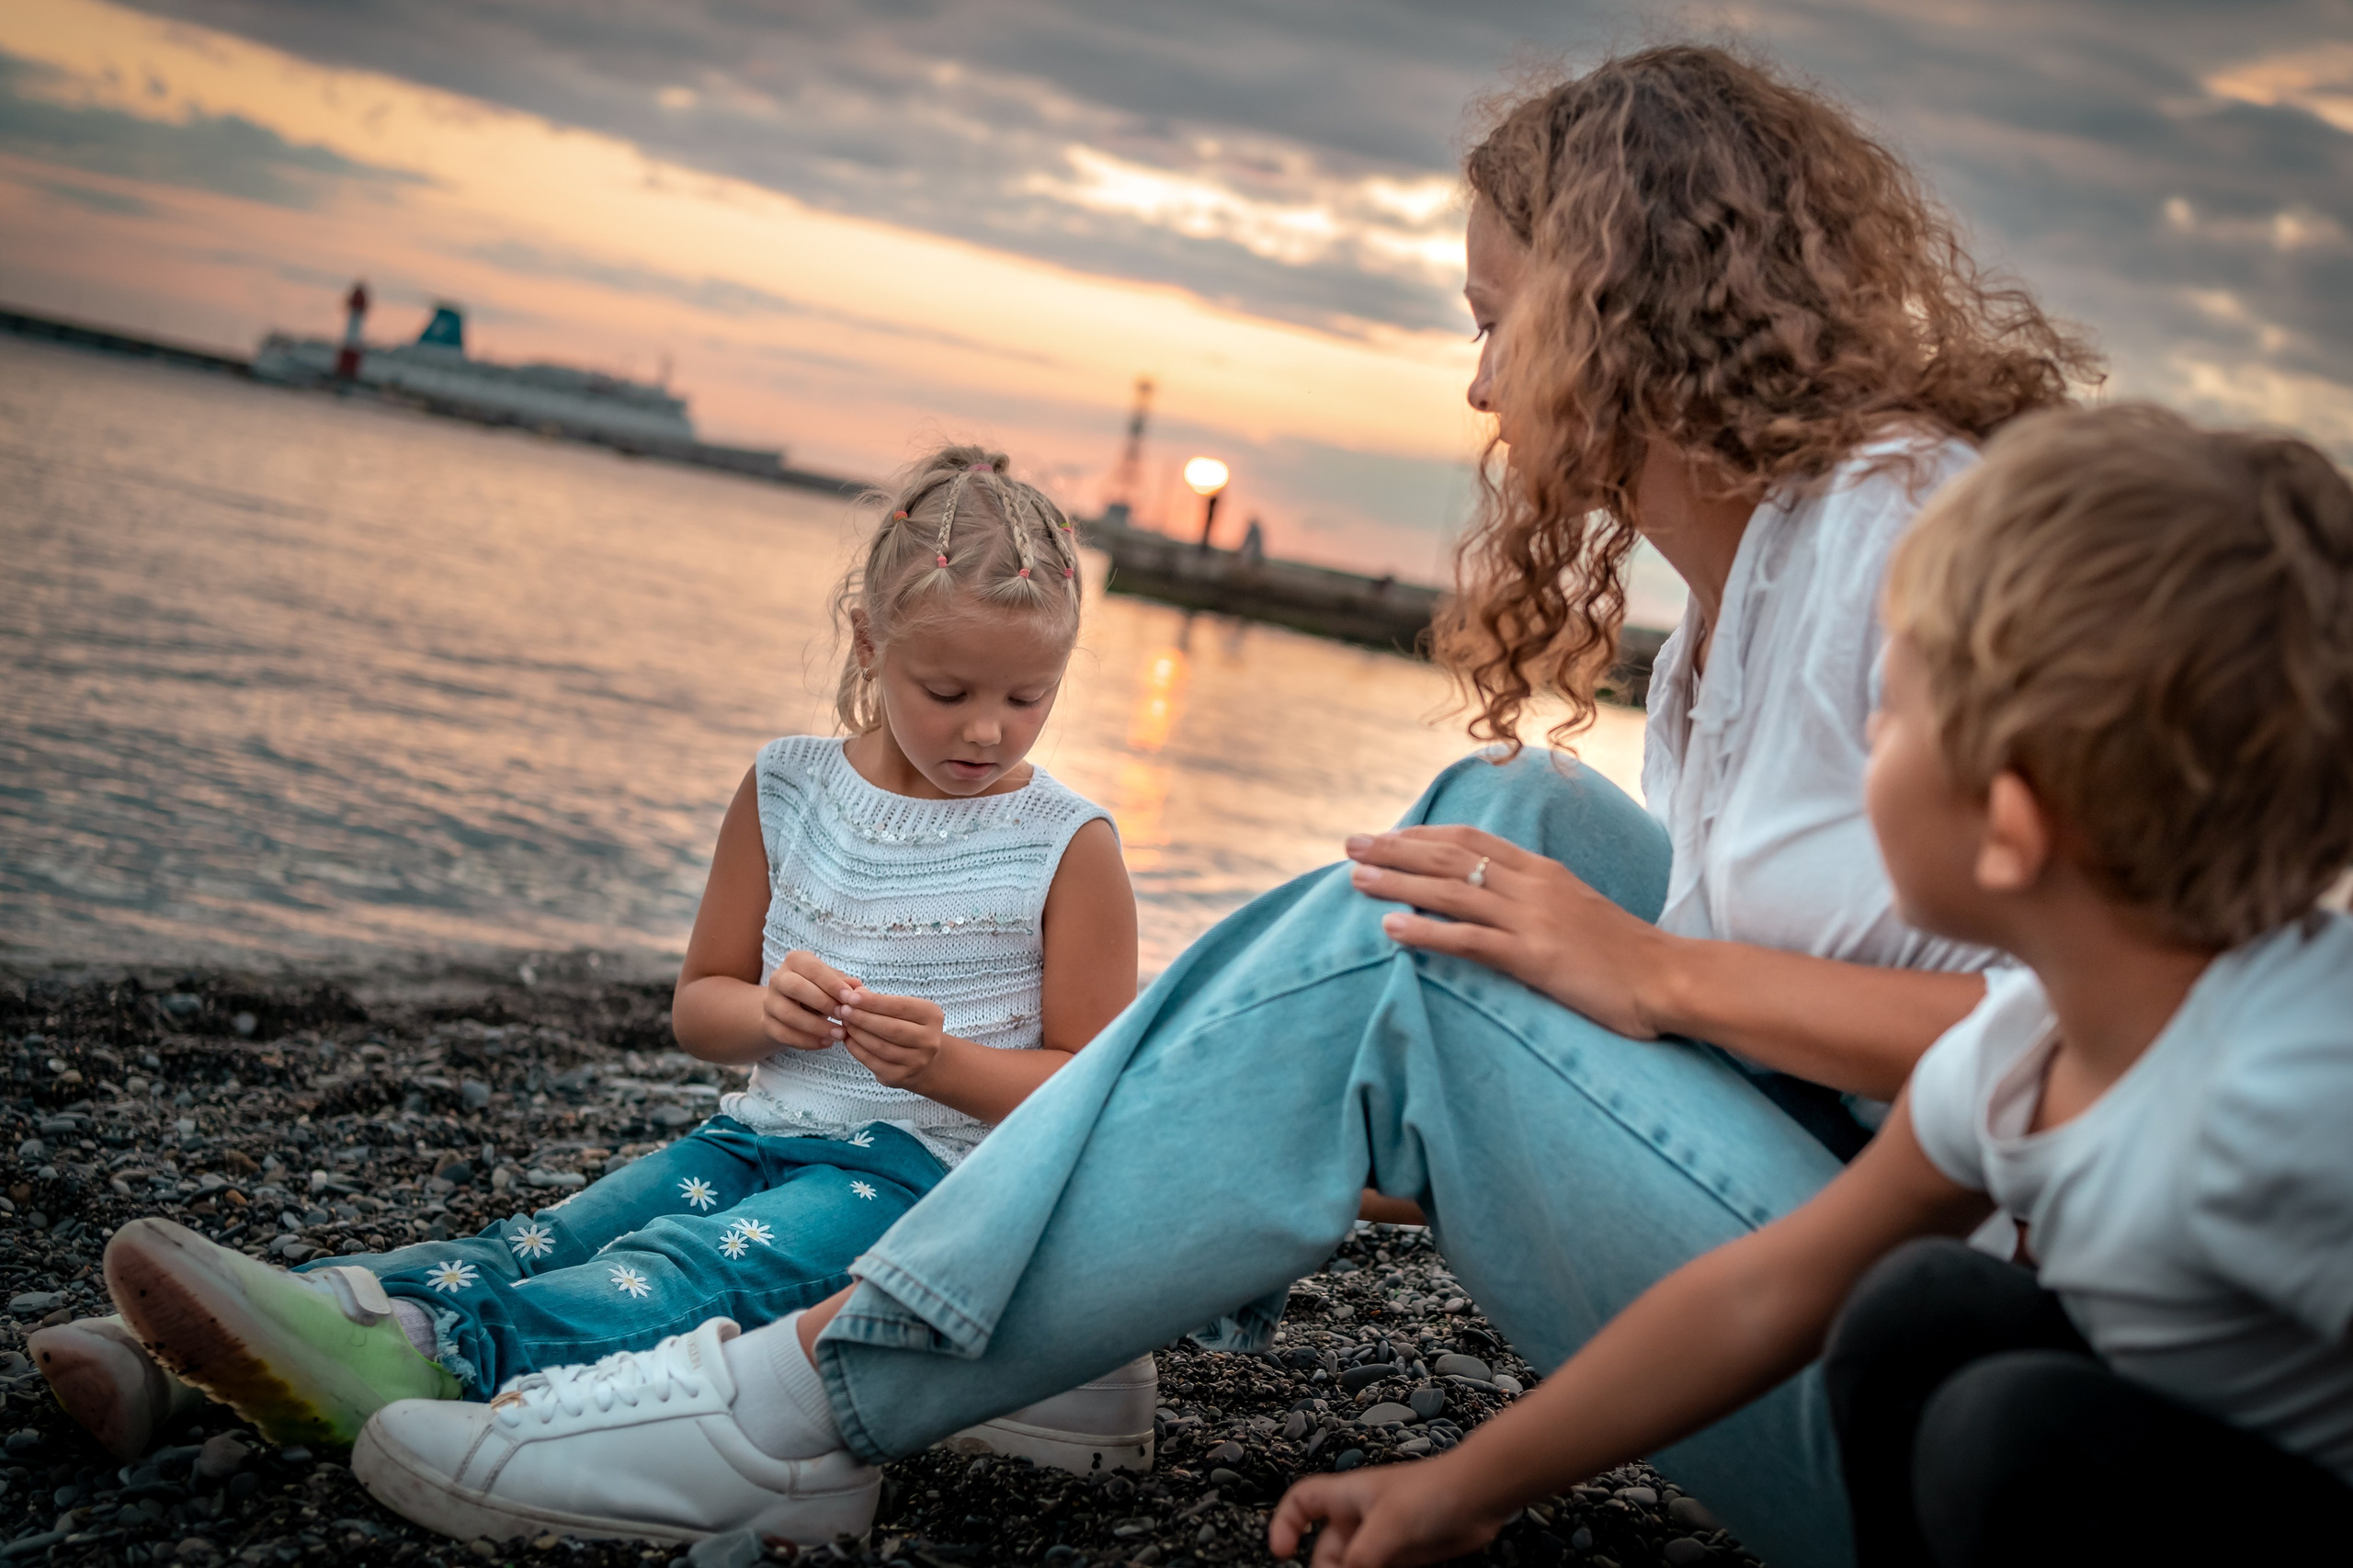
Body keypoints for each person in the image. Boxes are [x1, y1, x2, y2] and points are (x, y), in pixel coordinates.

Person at [346, 47, 2091, 1562]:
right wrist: (1306, 1117)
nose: (1481, 387)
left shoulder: (1907, 542)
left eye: (1497, 321)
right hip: (1864, 1251)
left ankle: (794, 1404)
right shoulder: (1727, 619)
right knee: (1507, 812)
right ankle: (1062, 1312)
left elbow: (2113, 1037)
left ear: (1622, 308)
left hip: (1961, 1406)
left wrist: (1652, 976)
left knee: (1414, 959)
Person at [1265, 404, 2353, 1567]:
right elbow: (1766, 1293)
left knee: (2008, 1430)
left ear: (2010, 825)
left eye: (1892, 711)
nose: (1862, 738)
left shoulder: (2292, 1099)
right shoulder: (2024, 1050)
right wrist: (1462, 1485)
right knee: (1913, 1308)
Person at [41, 446, 1154, 1494]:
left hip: (918, 1183)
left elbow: (1092, 1088)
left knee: (686, 1269)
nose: (988, 731)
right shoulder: (789, 786)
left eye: (1028, 697)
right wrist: (768, 1012)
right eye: (949, 692)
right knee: (555, 1235)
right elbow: (701, 1008)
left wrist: (941, 1064)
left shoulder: (1066, 845)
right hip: (752, 1137)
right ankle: (208, 1348)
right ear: (869, 643)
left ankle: (426, 1355)